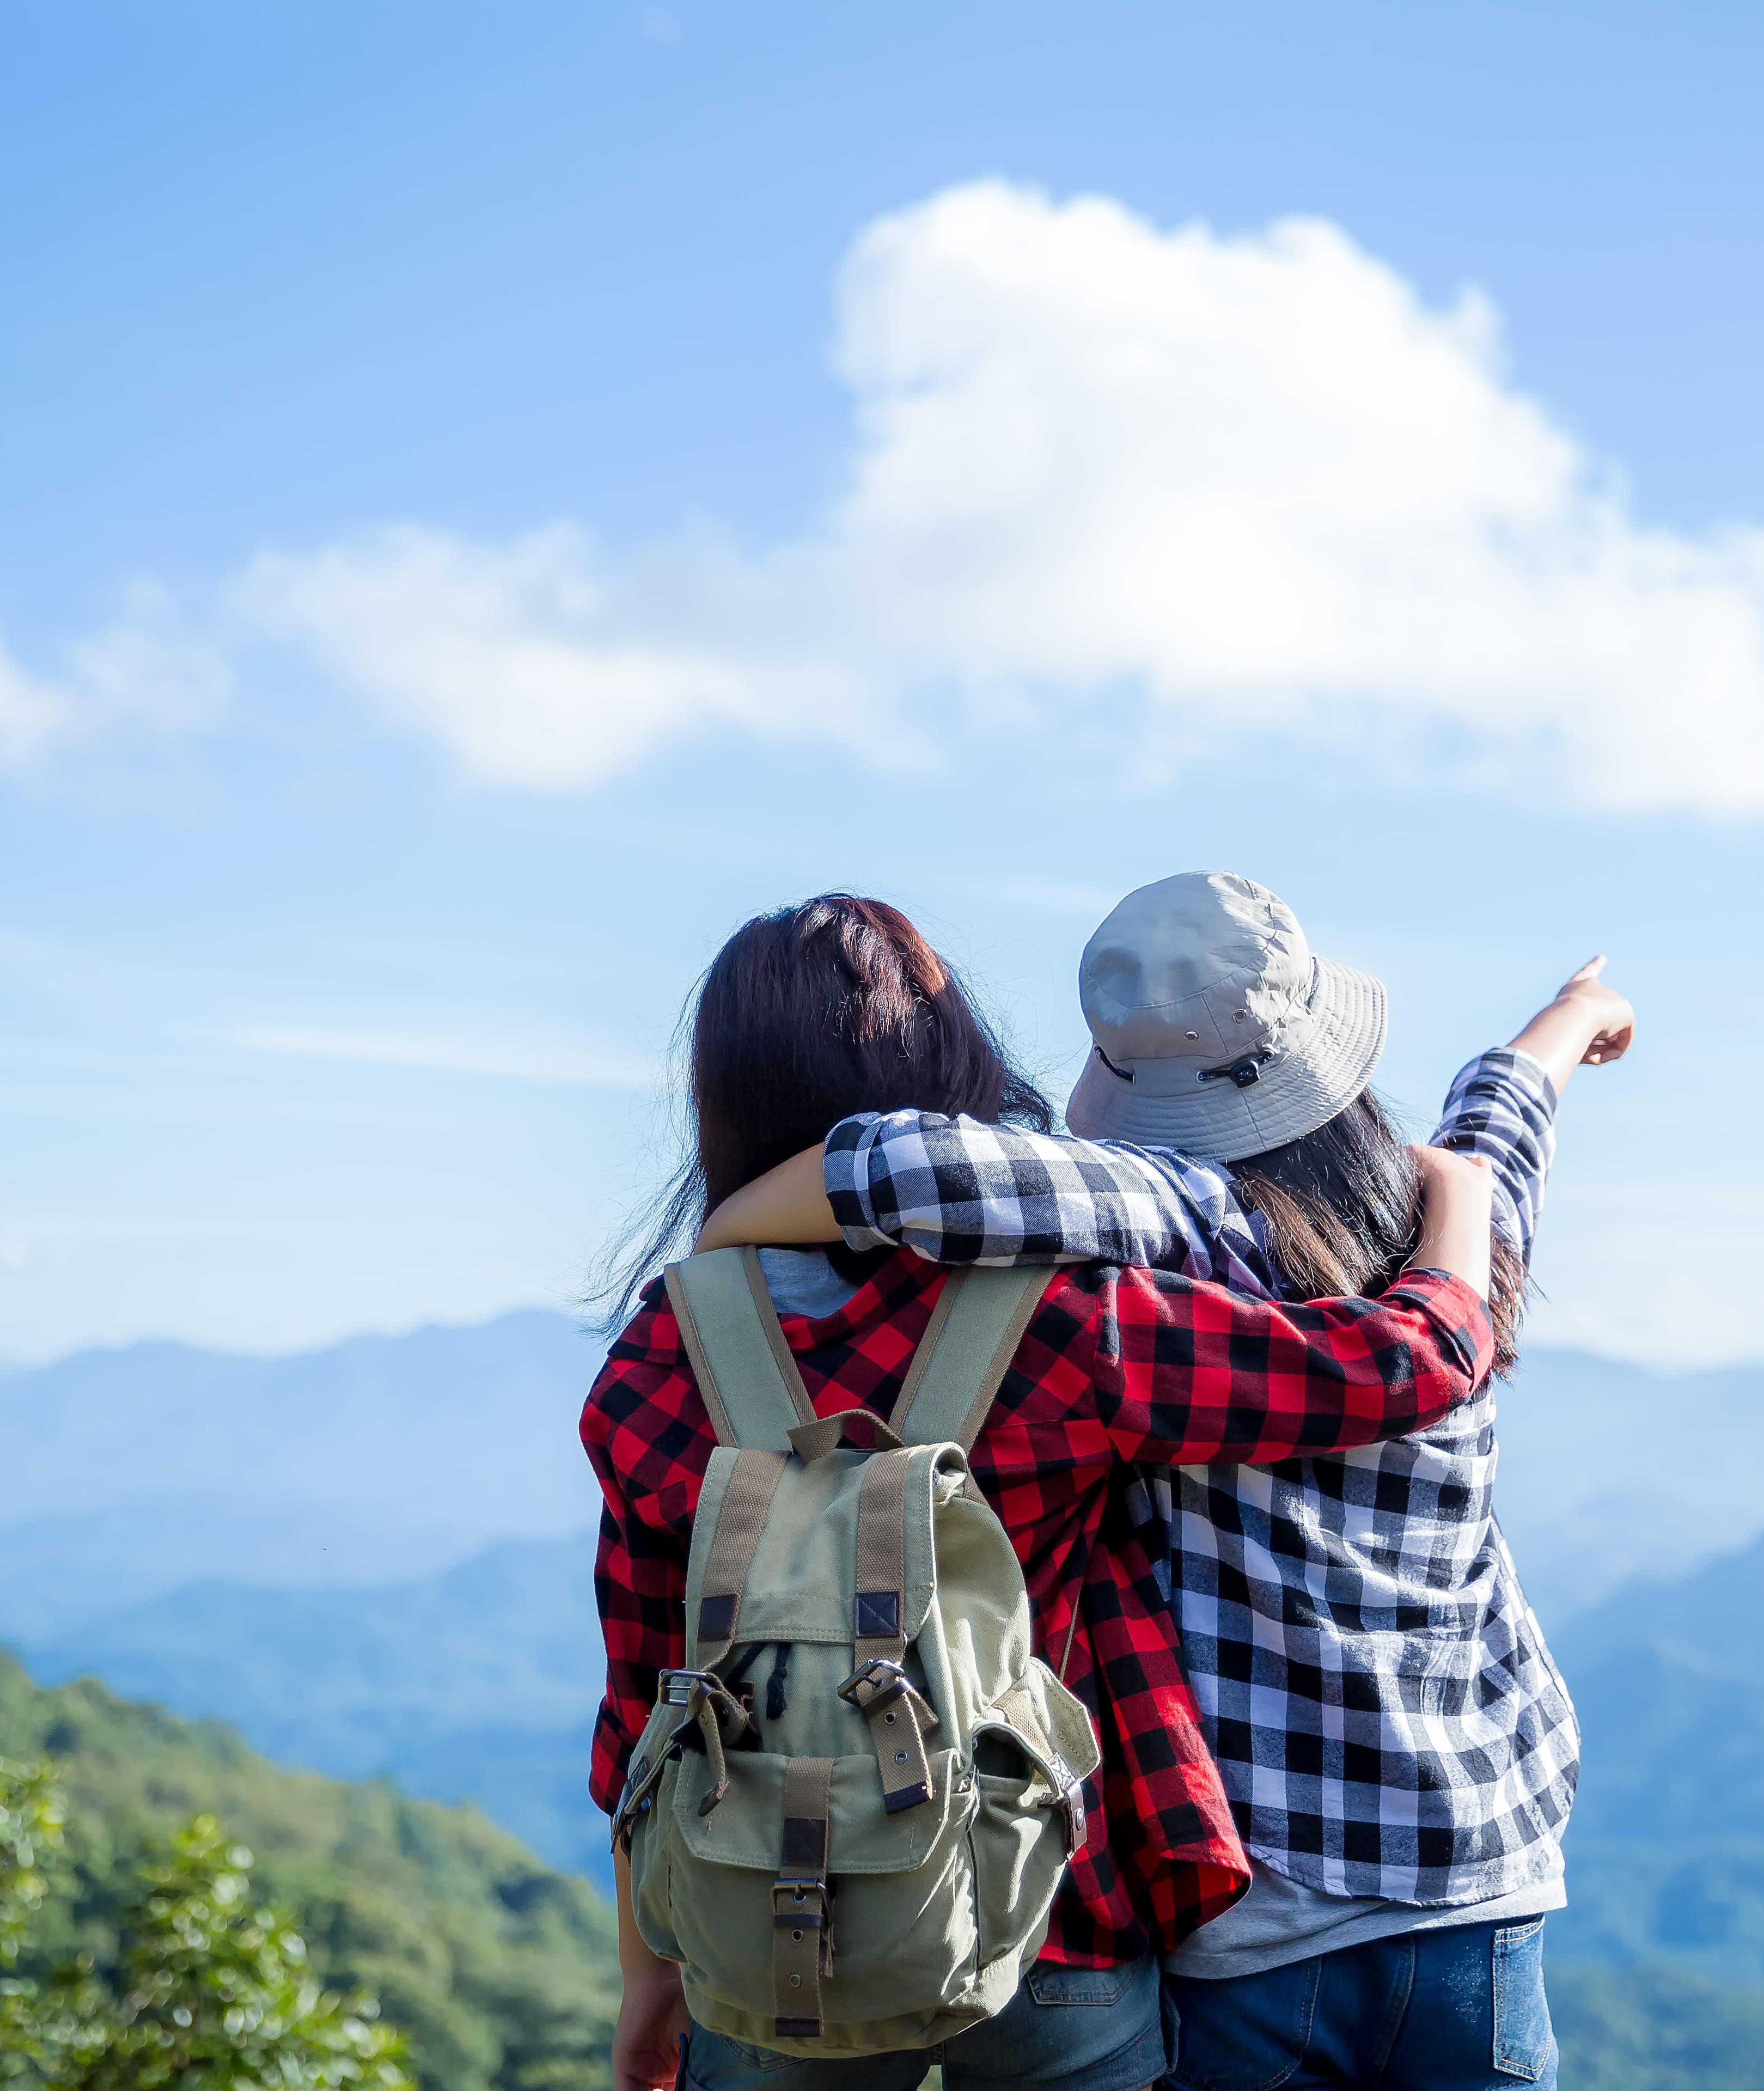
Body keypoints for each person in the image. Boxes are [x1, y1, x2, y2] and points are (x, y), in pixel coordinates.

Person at [698, 871, 1633, 2090]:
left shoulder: (1170, 1230)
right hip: (1481, 1883)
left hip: (1257, 1919)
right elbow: (1506, 1112)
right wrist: (1571, 1019)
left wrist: (726, 1239)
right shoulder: (1464, 1217)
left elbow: (902, 1169)